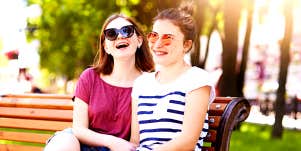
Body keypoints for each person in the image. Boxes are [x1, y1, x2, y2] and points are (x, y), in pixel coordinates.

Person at [44, 13, 154, 151]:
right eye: (111, 34)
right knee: (66, 140)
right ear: (106, 47)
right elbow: (78, 129)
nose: (120, 36)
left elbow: (138, 140)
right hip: (83, 146)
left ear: (139, 40)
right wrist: (112, 141)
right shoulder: (89, 77)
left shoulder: (149, 83)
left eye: (127, 30)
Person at [130, 2, 215, 151]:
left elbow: (188, 141)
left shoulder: (197, 79)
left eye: (167, 38)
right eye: (154, 36)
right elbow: (135, 140)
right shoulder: (141, 84)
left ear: (186, 45)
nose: (157, 44)